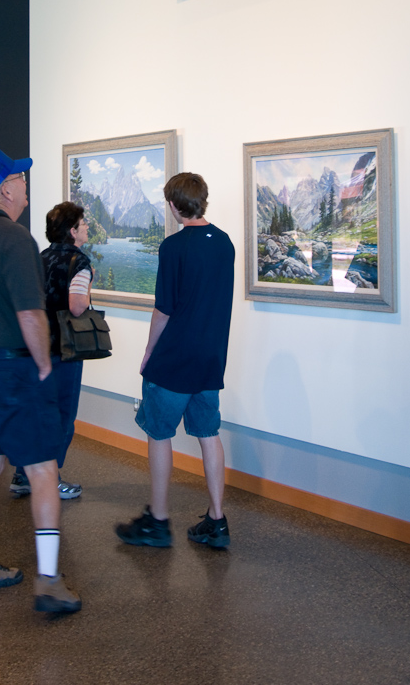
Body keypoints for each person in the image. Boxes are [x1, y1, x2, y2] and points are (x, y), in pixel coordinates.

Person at [0, 146, 81, 615]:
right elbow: (29, 312)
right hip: (11, 372)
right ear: (5, 189)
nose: (26, 186)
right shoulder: (15, 239)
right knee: (43, 468)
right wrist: (44, 364)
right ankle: (48, 580)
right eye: (20, 180)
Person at [116, 172, 235, 549]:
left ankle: (159, 520)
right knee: (209, 434)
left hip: (174, 359)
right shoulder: (225, 244)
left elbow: (163, 310)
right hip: (210, 359)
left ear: (172, 205)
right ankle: (217, 519)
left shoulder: (173, 247)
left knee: (159, 434)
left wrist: (149, 352)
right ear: (204, 200)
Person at [10, 201, 92, 502]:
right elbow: (77, 305)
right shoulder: (79, 261)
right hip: (65, 349)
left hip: (34, 345)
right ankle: (51, 478)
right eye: (83, 224)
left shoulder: (39, 257)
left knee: (34, 409)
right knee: (62, 414)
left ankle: (22, 474)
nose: (86, 228)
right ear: (72, 231)